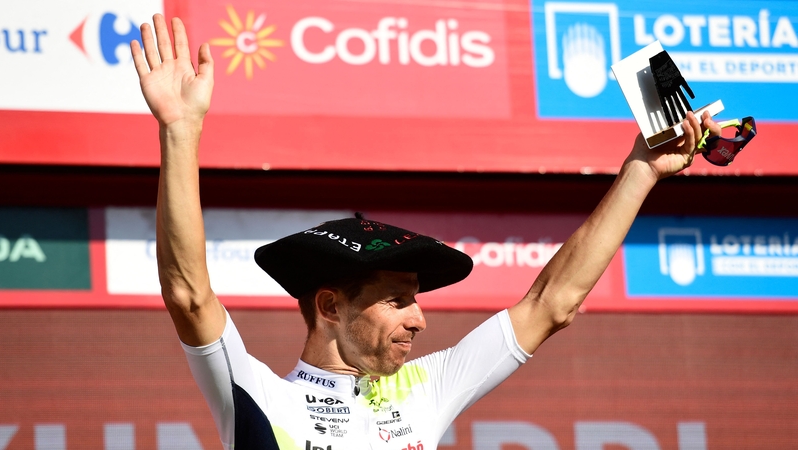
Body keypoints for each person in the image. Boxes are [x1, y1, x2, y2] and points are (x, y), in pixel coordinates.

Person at [131, 14, 720, 450]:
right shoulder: (258, 395)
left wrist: (642, 168)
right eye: (397, 300)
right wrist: (181, 130)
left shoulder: (424, 389)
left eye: (414, 300)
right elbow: (188, 293)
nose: (420, 318)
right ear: (330, 305)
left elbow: (553, 303)